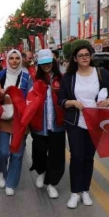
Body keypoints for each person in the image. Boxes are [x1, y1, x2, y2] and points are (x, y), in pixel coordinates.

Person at [59, 44, 109, 209]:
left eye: (87, 54)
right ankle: (74, 192)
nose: (84, 57)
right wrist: (71, 102)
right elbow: (61, 100)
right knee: (76, 157)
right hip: (75, 122)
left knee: (88, 158)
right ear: (75, 59)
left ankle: (85, 190)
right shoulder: (69, 77)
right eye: (80, 55)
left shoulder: (101, 74)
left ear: (90, 57)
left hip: (96, 122)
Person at [0, 49, 33, 196]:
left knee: (17, 153)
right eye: (12, 58)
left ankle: (11, 182)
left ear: (21, 60)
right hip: (3, 118)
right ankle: (3, 172)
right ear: (7, 60)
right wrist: (0, 95)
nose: (14, 61)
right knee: (2, 152)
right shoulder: (0, 76)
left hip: (20, 119)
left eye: (17, 58)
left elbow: (31, 97)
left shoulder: (27, 78)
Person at [30, 49, 66, 199]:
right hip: (40, 124)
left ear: (54, 62)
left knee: (56, 155)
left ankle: (51, 183)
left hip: (57, 124)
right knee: (39, 152)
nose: (46, 66)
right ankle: (41, 171)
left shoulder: (62, 78)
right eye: (43, 63)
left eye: (48, 63)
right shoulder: (34, 79)